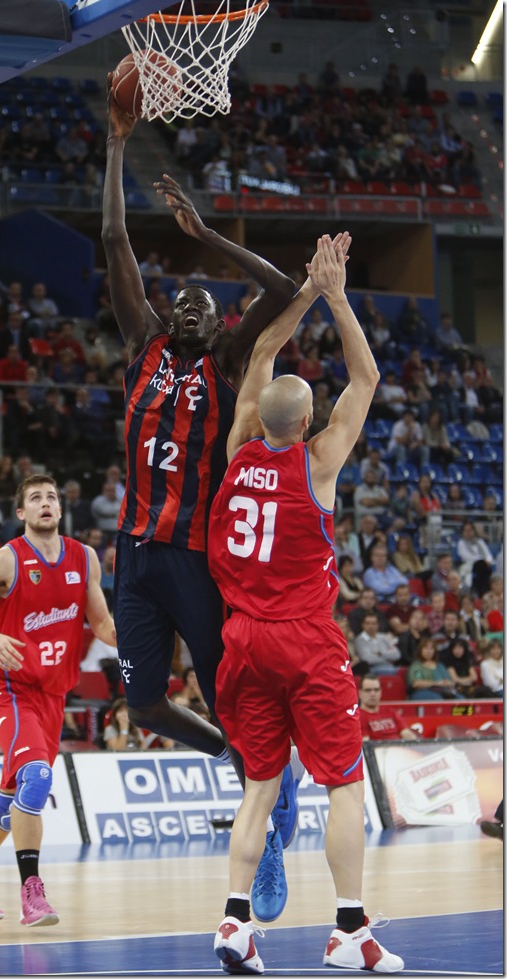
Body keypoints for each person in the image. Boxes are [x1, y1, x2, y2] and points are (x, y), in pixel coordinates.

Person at [102, 80, 302, 922]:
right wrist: (117, 140)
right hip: (134, 552)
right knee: (142, 701)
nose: (187, 300)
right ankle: (236, 754)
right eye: (177, 296)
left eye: (202, 301)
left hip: (195, 556)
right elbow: (113, 237)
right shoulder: (143, 343)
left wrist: (206, 233)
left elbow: (287, 286)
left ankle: (269, 822)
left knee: (234, 694)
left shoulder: (225, 366)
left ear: (219, 327)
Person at [208, 236, 403, 973]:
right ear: (310, 419)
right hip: (304, 638)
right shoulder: (317, 463)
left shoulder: (238, 448)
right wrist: (336, 293)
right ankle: (349, 930)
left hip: (243, 641)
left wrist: (300, 299)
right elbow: (369, 374)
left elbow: (260, 354)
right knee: (345, 782)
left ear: (263, 416)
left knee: (260, 787)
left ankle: (233, 923)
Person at [0, 474, 116, 927]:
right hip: (9, 689)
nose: (45, 503)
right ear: (21, 513)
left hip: (53, 694)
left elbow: (103, 627)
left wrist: (152, 634)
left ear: (60, 508)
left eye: (52, 497)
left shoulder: (84, 558)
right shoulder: (5, 560)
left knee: (13, 796)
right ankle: (32, 893)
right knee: (36, 779)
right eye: (35, 498)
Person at [358, 676, 418, 741]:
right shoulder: (358, 717)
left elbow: (407, 734)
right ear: (360, 693)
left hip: (400, 749)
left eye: (376, 690)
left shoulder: (391, 712)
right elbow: (366, 744)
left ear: (381, 692)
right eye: (368, 690)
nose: (372, 694)